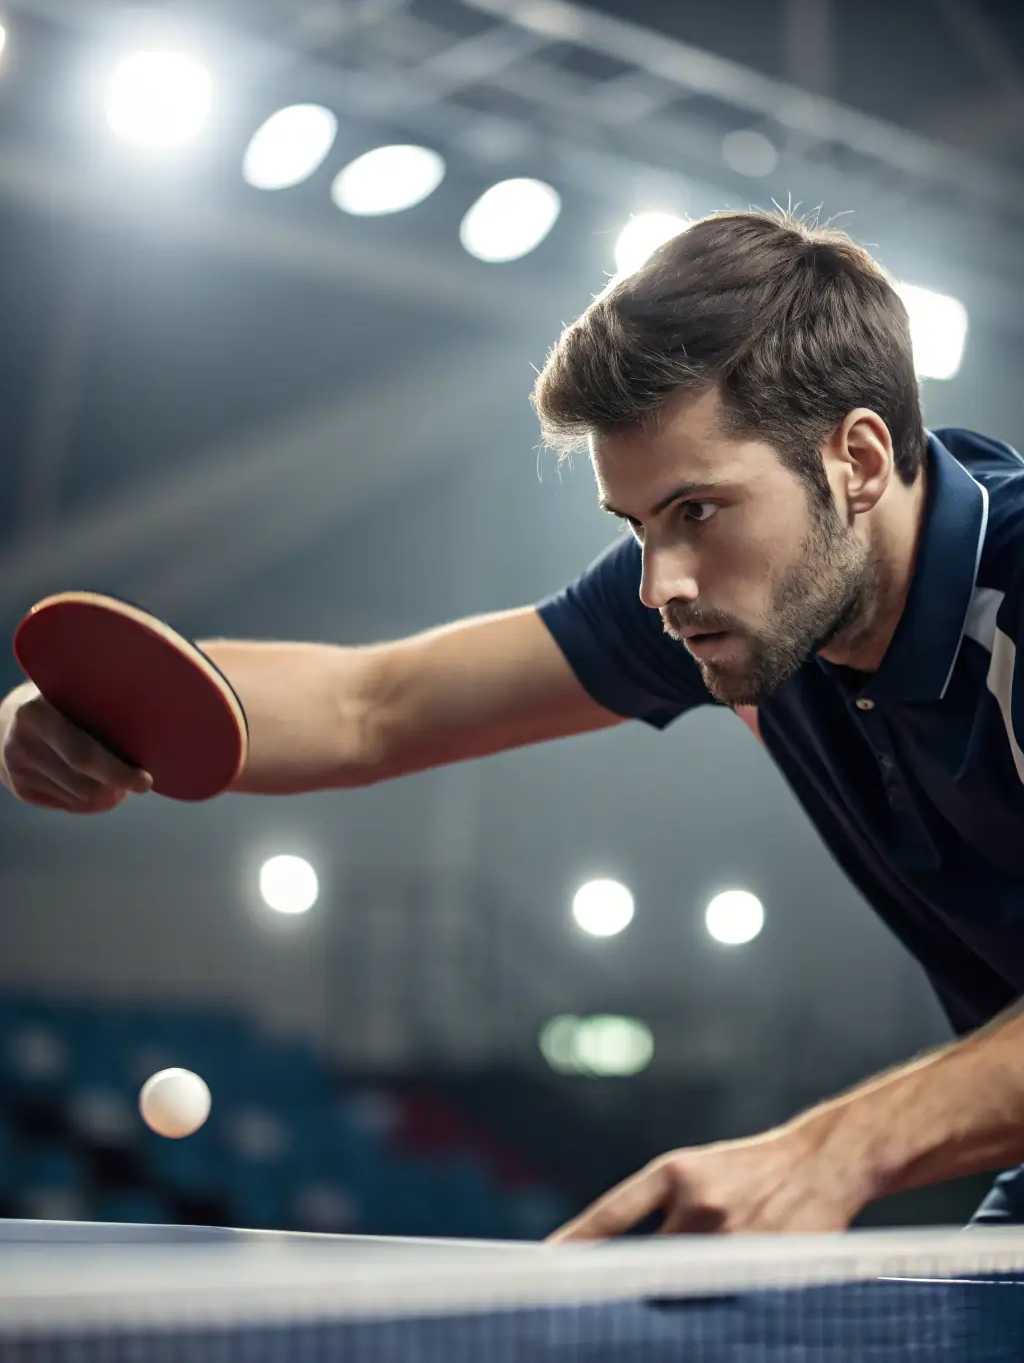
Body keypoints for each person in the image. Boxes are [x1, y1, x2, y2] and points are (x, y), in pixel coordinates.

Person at [3, 209, 1024, 1238]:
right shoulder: (756, 603)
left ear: (856, 460)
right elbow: (376, 706)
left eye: (698, 510)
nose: (659, 587)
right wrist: (103, 700)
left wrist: (830, 1148)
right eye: (637, 527)